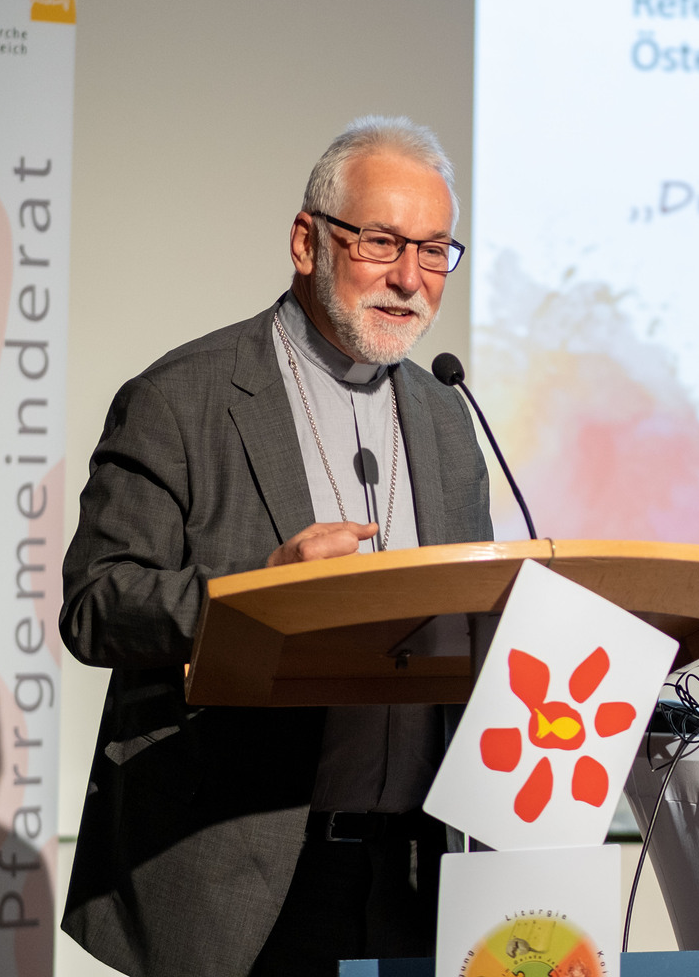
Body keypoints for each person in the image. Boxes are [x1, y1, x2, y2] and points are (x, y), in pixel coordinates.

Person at [59, 116, 491, 977]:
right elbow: (95, 604)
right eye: (381, 242)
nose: (410, 278)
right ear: (307, 241)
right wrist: (256, 593)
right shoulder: (182, 397)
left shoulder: (447, 416)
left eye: (435, 251)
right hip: (241, 874)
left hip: (415, 876)